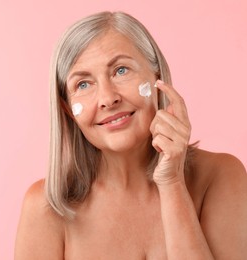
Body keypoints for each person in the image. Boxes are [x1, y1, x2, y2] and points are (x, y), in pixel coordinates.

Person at [14, 11, 247, 259]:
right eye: (83, 84)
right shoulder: (45, 208)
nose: (107, 98)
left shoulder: (221, 176)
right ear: (68, 110)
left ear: (157, 76)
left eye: (121, 70)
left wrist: (172, 184)